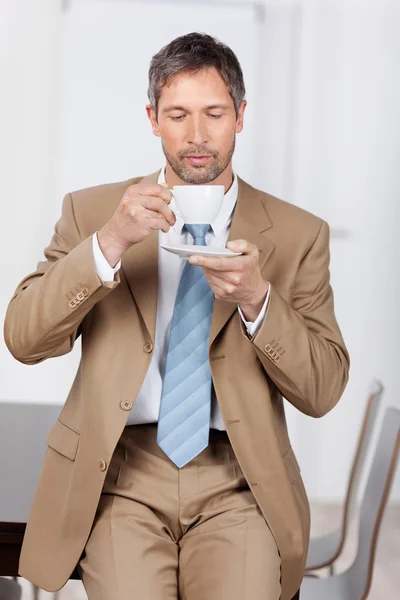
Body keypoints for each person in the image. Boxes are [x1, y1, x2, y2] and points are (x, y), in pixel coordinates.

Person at [4, 32, 349, 600]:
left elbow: (324, 389)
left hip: (241, 483)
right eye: (177, 115)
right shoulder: (92, 211)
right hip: (119, 478)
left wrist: (258, 299)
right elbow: (23, 338)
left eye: (214, 113)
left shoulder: (297, 233)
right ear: (152, 118)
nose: (195, 135)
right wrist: (110, 241)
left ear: (241, 116)